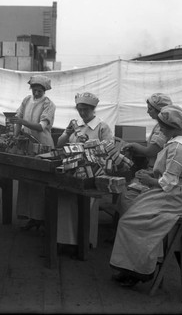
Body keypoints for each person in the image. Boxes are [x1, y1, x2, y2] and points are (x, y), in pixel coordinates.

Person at [110, 105, 182, 287]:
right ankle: (135, 266)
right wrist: (150, 177)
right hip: (169, 193)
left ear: (173, 127)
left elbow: (168, 182)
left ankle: (139, 270)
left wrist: (149, 180)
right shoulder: (176, 141)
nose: (161, 129)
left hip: (173, 198)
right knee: (131, 210)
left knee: (130, 222)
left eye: (163, 127)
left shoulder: (179, 149)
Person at [55, 92, 114, 252]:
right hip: (73, 169)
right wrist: (67, 133)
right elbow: (60, 144)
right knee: (65, 201)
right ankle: (65, 240)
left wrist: (88, 144)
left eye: (86, 110)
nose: (82, 113)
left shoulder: (102, 127)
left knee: (84, 203)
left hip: (93, 173)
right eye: (80, 109)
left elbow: (108, 151)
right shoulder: (76, 126)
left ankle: (84, 241)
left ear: (93, 109)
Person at [9, 75, 56, 231]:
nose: (36, 92)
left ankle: (42, 218)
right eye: (34, 89)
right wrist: (15, 137)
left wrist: (22, 123)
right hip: (27, 146)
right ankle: (30, 217)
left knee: (40, 182)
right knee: (27, 181)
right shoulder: (26, 100)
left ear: (44, 90)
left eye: (39, 90)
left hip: (42, 146)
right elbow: (17, 118)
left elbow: (41, 127)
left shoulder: (49, 104)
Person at [117, 93, 173, 215]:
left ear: (160, 111)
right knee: (125, 189)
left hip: (157, 175)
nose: (147, 112)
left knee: (127, 195)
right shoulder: (160, 126)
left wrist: (132, 145)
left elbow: (150, 151)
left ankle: (132, 224)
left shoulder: (163, 129)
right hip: (154, 172)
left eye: (150, 109)